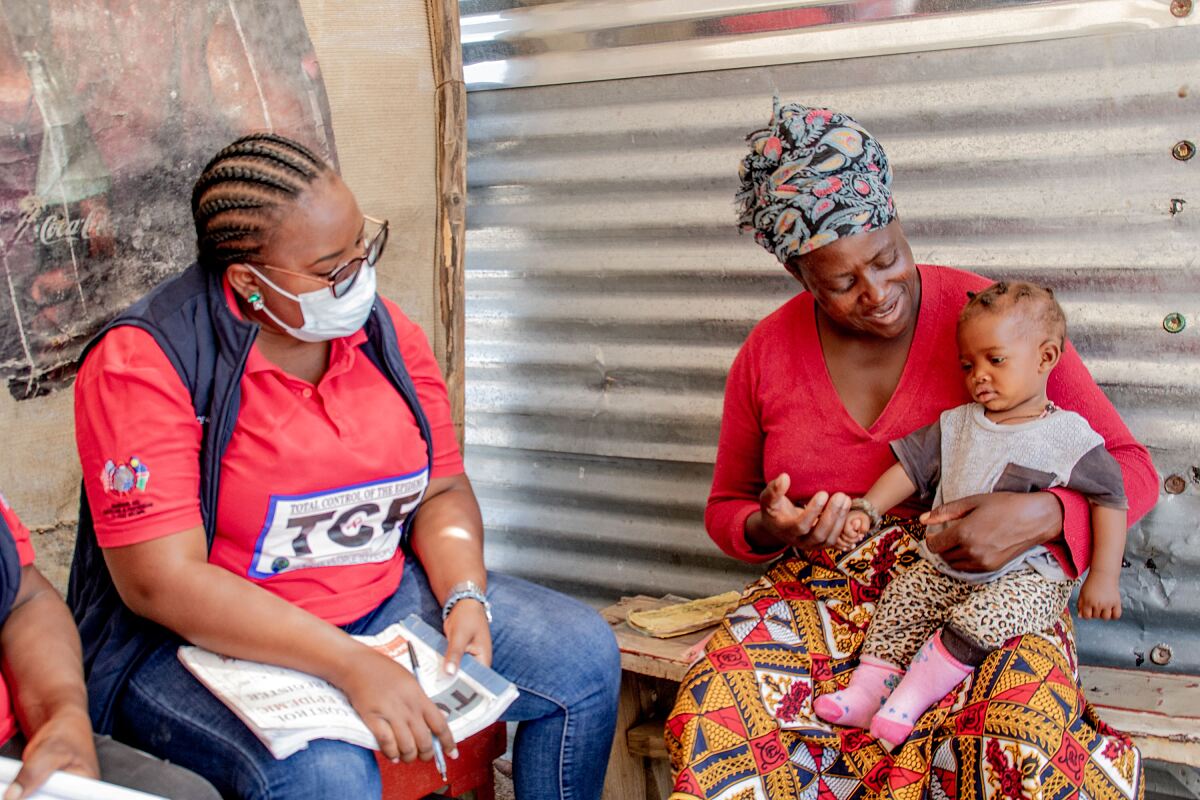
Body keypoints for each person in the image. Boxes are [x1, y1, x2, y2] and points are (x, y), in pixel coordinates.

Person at [68, 132, 620, 800]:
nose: (358, 277)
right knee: (324, 775)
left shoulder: (385, 334)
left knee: (580, 656)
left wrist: (465, 593)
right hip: (199, 647)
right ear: (248, 281)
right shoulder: (147, 361)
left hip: (377, 603)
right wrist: (348, 664)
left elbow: (441, 490)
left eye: (364, 247)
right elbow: (161, 584)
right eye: (332, 268)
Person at [665, 103, 1158, 800]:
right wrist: (769, 526)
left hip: (994, 590)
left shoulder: (991, 321)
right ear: (800, 278)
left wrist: (1046, 517)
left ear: (899, 222)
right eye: (841, 283)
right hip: (826, 595)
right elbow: (726, 509)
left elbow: (1129, 466)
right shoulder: (767, 353)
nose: (877, 294)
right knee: (720, 713)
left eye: (887, 257)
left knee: (1015, 738)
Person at [813, 280, 1132, 749]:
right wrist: (868, 508)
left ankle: (910, 698)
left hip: (1027, 577)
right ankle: (866, 690)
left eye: (995, 360)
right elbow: (909, 469)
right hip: (947, 563)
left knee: (985, 618)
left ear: (1045, 358)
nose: (978, 375)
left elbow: (1111, 498)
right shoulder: (958, 423)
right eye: (969, 364)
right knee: (904, 599)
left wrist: (1103, 577)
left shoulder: (1070, 436)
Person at [0, 495, 218, 800]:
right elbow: (160, 582)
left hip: (16, 741)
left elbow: (24, 598)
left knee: (187, 794)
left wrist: (61, 715)